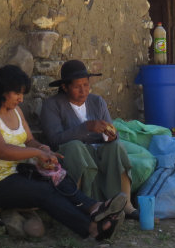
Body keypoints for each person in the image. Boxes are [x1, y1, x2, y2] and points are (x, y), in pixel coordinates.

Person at [0, 65, 126, 241]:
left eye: (23, 94)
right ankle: (92, 228)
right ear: (2, 90)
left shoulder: (15, 111)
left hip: (16, 174)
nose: (21, 99)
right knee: (45, 191)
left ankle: (95, 207)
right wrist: (36, 153)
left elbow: (29, 140)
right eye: (17, 94)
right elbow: (1, 151)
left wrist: (43, 150)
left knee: (58, 175)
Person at [40, 60, 139, 220]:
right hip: (73, 157)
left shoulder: (97, 102)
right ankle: (84, 206)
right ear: (64, 87)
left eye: (86, 85)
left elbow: (113, 134)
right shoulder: (52, 105)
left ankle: (125, 205)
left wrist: (110, 136)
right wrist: (86, 128)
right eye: (77, 86)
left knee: (117, 147)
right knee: (74, 146)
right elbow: (54, 139)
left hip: (99, 154)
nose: (83, 91)